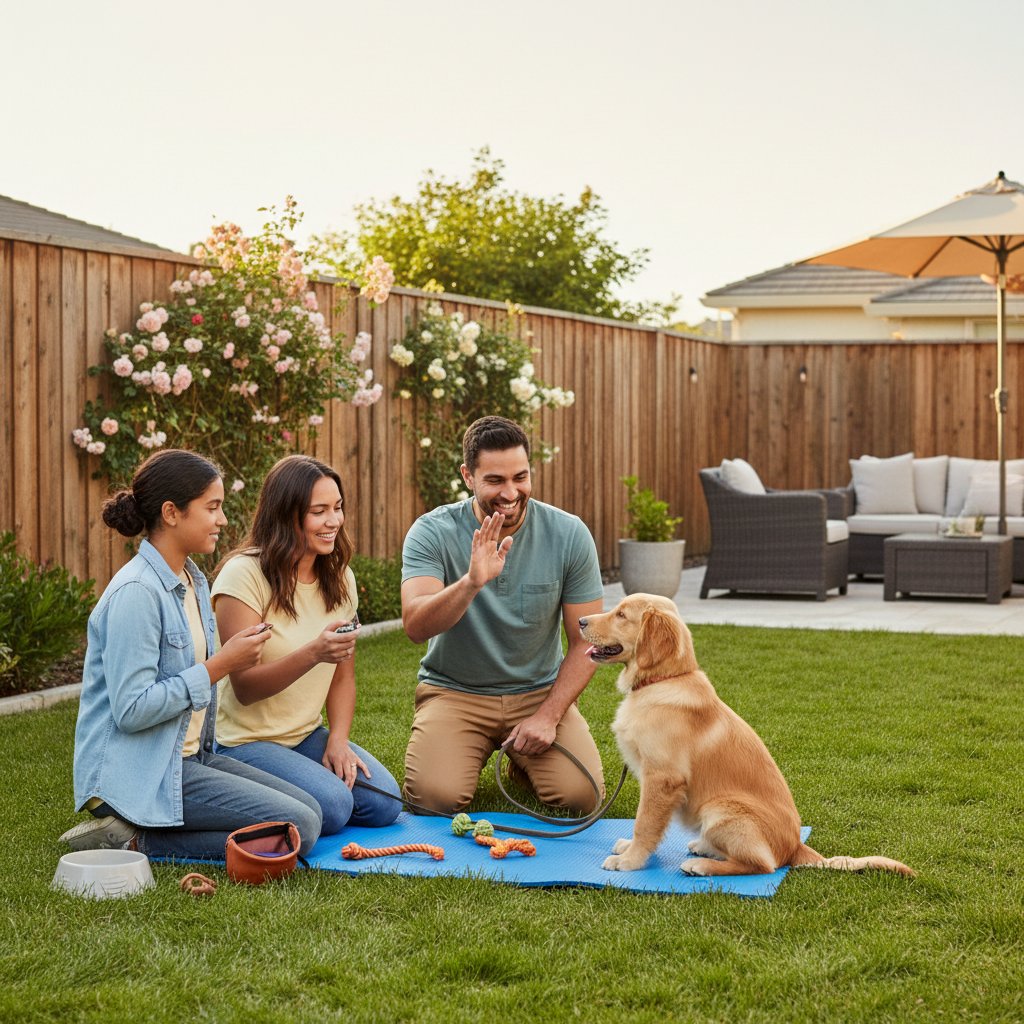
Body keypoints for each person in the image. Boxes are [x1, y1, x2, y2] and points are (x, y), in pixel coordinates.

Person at [61, 449, 323, 858]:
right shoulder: (137, 593)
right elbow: (131, 710)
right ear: (171, 513)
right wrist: (221, 665)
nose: (222, 519)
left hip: (188, 758)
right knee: (300, 828)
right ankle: (137, 839)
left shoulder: (193, 580)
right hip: (143, 774)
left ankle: (141, 833)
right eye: (212, 507)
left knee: (311, 810)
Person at [401, 415, 606, 814]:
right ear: (468, 476)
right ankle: (473, 747)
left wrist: (549, 716)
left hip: (537, 693)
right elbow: (415, 625)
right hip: (455, 692)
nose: (510, 492)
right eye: (495, 480)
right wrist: (470, 583)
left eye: (520, 477)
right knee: (433, 799)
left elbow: (585, 642)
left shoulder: (569, 534)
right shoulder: (431, 532)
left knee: (582, 797)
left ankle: (522, 759)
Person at [210, 455, 400, 834]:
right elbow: (245, 688)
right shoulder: (244, 576)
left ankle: (302, 791)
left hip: (304, 735)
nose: (334, 521)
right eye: (319, 512)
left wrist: (339, 742)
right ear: (286, 515)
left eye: (338, 508)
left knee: (384, 802)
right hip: (242, 742)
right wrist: (314, 652)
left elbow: (343, 677)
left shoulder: (339, 577)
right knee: (332, 807)